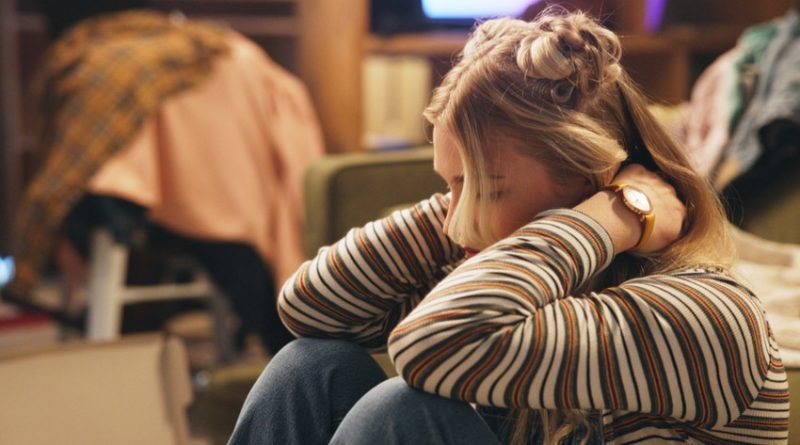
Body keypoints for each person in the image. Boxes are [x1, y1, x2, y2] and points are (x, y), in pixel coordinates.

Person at [228, 9, 789, 445]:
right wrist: (461, 204)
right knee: (311, 367)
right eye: (449, 185)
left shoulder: (706, 315)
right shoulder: (512, 271)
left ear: (590, 181)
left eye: (490, 189)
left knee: (402, 410)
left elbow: (434, 347)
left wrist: (612, 215)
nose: (457, 224)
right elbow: (310, 310)